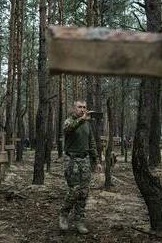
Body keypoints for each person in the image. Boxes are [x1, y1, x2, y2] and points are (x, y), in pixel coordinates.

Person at [59, 100, 102, 234]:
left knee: (84, 192)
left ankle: (79, 220)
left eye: (84, 107)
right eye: (79, 107)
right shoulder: (69, 121)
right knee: (74, 190)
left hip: (85, 160)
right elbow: (68, 129)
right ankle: (64, 215)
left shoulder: (87, 124)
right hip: (71, 159)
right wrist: (82, 120)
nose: (82, 109)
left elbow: (91, 142)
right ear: (74, 109)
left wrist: (97, 160)